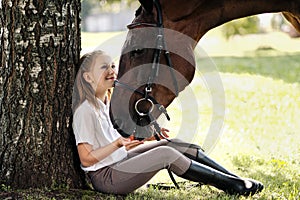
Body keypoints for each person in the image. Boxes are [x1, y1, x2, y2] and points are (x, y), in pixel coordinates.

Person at [72, 50, 264, 196]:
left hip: (119, 161)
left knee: (175, 144)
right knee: (165, 154)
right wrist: (117, 144)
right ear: (87, 77)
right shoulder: (85, 111)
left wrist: (140, 139)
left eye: (112, 65)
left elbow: (106, 139)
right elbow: (87, 159)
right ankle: (233, 186)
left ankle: (235, 179)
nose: (112, 70)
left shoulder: (103, 102)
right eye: (103, 67)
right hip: (107, 177)